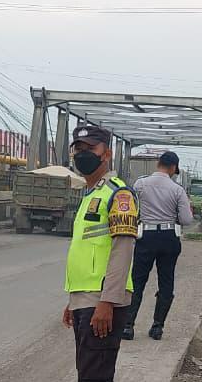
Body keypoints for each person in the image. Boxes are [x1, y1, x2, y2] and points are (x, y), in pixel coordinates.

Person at [61, 124, 139, 382]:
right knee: (88, 372)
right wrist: (74, 300)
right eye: (78, 149)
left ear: (107, 154)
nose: (83, 154)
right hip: (86, 299)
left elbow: (122, 251)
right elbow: (87, 251)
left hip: (103, 300)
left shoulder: (119, 194)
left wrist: (107, 302)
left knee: (95, 375)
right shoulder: (91, 195)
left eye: (91, 148)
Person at [122, 151, 194, 341]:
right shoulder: (177, 190)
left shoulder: (140, 184)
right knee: (166, 282)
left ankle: (127, 326)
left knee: (137, 281)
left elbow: (132, 209)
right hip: (169, 238)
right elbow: (186, 219)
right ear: (173, 168)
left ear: (158, 164)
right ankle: (157, 327)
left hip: (145, 236)